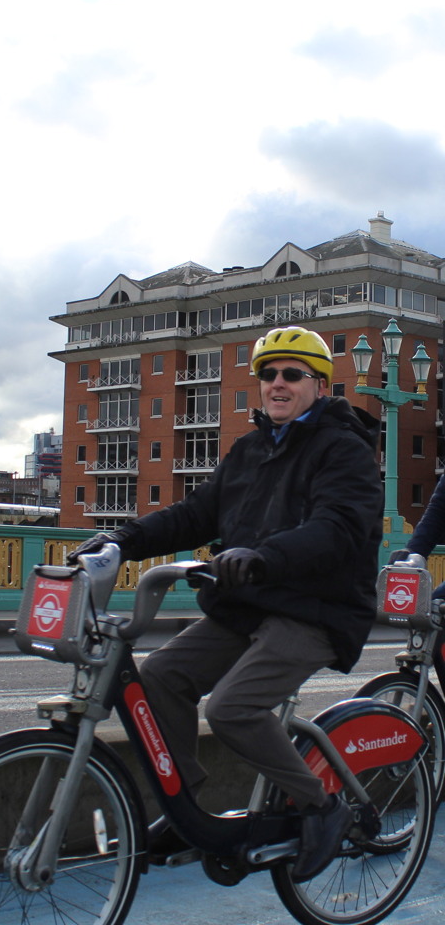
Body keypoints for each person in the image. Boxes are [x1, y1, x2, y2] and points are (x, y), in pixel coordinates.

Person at [70, 326, 384, 881]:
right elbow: (195, 514)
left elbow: (338, 528)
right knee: (161, 677)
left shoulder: (345, 449)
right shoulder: (250, 448)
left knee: (232, 709)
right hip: (247, 602)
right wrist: (122, 539)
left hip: (315, 608)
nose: (277, 384)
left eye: (292, 374)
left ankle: (320, 806)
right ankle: (184, 807)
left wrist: (262, 555)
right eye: (268, 374)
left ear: (319, 384)